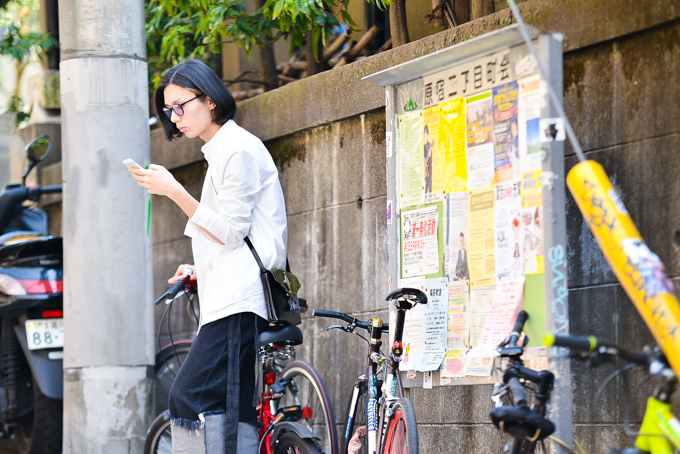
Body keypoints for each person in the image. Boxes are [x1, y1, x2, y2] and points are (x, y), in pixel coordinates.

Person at [128, 59, 287, 453]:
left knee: (187, 396)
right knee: (229, 405)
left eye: (181, 105)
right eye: (168, 110)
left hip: (240, 299)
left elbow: (232, 232)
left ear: (210, 100)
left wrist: (174, 190)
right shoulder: (220, 151)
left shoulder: (237, 150)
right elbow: (233, 234)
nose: (174, 116)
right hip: (231, 297)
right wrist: (200, 269)